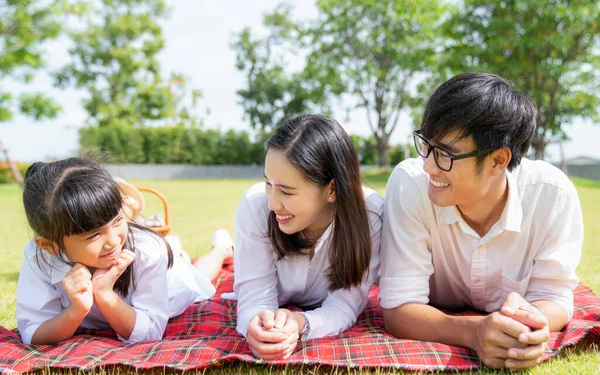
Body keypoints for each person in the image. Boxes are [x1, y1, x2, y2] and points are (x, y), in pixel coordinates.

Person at [379, 72, 584, 370]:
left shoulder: (551, 195)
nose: (428, 166)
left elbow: (553, 296)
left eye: (445, 154)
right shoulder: (410, 183)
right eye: (426, 145)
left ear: (498, 161)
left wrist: (530, 323)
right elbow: (398, 310)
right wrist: (474, 332)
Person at [16, 157, 232, 345]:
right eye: (93, 235)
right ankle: (177, 250)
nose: (112, 242)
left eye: (118, 220)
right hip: (149, 262)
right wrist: (76, 311)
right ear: (50, 245)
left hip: (167, 283)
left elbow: (150, 332)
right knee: (176, 255)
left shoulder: (147, 250)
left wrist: (104, 294)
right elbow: (33, 331)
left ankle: (220, 248)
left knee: (198, 277)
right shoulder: (40, 256)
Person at [229, 114, 384, 360]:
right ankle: (221, 247)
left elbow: (345, 304)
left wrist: (302, 324)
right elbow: (255, 297)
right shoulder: (255, 205)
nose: (272, 203)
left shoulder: (371, 215)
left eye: (286, 192)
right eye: (268, 183)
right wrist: (257, 325)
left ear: (331, 189)